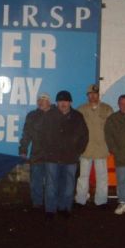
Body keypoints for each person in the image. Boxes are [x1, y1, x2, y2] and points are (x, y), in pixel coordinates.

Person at [42, 90, 89, 220]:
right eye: (60, 101)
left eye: (66, 101)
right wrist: (47, 151)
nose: (63, 103)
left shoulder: (78, 116)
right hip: (52, 157)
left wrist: (78, 151)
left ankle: (65, 208)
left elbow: (84, 136)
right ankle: (50, 210)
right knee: (51, 185)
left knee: (68, 185)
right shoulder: (49, 116)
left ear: (70, 102)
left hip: (70, 158)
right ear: (56, 103)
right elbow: (42, 135)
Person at [75, 84, 114, 207]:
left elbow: (112, 129)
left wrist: (111, 146)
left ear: (98, 95)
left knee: (102, 176)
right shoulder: (80, 110)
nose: (92, 96)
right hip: (85, 148)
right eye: (90, 94)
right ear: (87, 96)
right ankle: (81, 199)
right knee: (83, 176)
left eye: (95, 94)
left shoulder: (107, 109)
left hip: (101, 148)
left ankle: (101, 201)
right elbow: (76, 130)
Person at [19, 93, 54, 211]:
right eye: (39, 100)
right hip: (37, 154)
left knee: (52, 181)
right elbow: (26, 134)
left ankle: (51, 203)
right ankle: (37, 204)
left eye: (43, 100)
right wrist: (23, 149)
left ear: (49, 102)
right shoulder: (32, 115)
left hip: (53, 155)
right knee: (36, 181)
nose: (41, 102)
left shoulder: (57, 114)